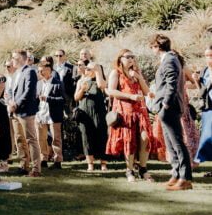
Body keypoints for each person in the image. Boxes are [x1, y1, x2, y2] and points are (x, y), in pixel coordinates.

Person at [106, 49, 157, 183]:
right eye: (127, 57)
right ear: (120, 59)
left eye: (132, 57)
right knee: (129, 141)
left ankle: (143, 169)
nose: (131, 59)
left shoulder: (136, 72)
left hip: (140, 111)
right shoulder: (116, 72)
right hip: (125, 111)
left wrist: (139, 77)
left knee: (145, 138)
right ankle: (129, 170)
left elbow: (146, 91)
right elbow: (111, 91)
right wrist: (130, 96)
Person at [150, 34, 193, 190]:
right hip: (167, 108)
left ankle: (185, 178)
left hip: (170, 107)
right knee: (170, 143)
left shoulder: (169, 60)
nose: (152, 49)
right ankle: (176, 174)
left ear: (157, 47)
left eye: (152, 46)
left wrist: (166, 104)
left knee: (177, 142)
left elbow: (171, 83)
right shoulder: (169, 59)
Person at [7, 50, 41, 177]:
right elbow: (11, 91)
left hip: (26, 111)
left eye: (15, 58)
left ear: (22, 59)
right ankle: (24, 166)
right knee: (19, 139)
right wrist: (10, 102)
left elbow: (29, 91)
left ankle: (36, 169)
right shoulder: (16, 73)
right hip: (15, 111)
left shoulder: (30, 71)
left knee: (30, 139)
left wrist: (16, 104)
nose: (12, 60)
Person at [74, 61, 109, 171]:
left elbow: (102, 86)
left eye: (89, 69)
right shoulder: (81, 81)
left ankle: (103, 163)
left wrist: (98, 72)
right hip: (84, 112)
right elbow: (76, 98)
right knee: (86, 137)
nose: (86, 70)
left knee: (102, 136)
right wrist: (82, 89)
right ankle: (90, 163)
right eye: (86, 69)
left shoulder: (101, 80)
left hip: (99, 112)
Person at [36, 57, 65, 169]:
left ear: (49, 70)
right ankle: (43, 159)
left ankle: (57, 160)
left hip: (53, 115)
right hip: (40, 114)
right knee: (41, 138)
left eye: (42, 71)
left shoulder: (58, 83)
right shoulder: (38, 83)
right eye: (39, 71)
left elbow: (63, 100)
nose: (40, 73)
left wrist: (48, 98)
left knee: (56, 138)